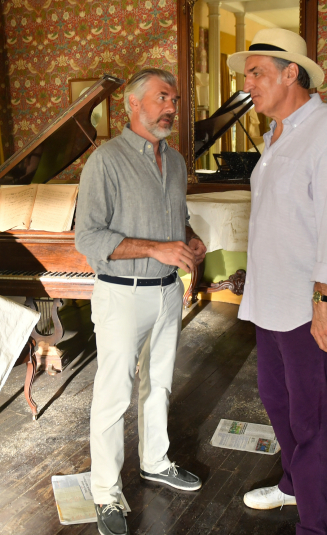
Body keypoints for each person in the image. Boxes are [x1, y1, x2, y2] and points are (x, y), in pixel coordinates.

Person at [227, 28, 327, 535]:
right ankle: (292, 485)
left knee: (311, 417)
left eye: (256, 73)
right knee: (276, 400)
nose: (247, 84)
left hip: (306, 304)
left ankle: (316, 524)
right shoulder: (277, 133)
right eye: (247, 75)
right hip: (270, 301)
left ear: (291, 73)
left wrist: (323, 300)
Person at [75, 68, 208, 535]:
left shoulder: (176, 161)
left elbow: (176, 218)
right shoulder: (105, 162)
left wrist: (188, 239)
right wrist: (155, 249)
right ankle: (106, 493)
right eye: (162, 98)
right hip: (121, 294)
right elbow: (88, 238)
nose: (171, 107)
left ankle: (155, 461)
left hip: (168, 292)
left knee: (160, 384)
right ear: (133, 104)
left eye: (174, 100)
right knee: (114, 396)